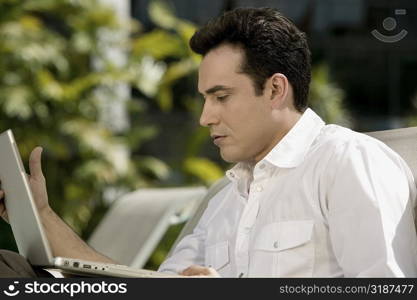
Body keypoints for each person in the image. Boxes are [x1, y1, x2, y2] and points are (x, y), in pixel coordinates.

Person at [1, 7, 417, 278]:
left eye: (221, 97)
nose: (205, 117)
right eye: (204, 99)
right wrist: (41, 216)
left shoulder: (347, 162)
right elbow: (148, 289)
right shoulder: (224, 199)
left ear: (275, 90)